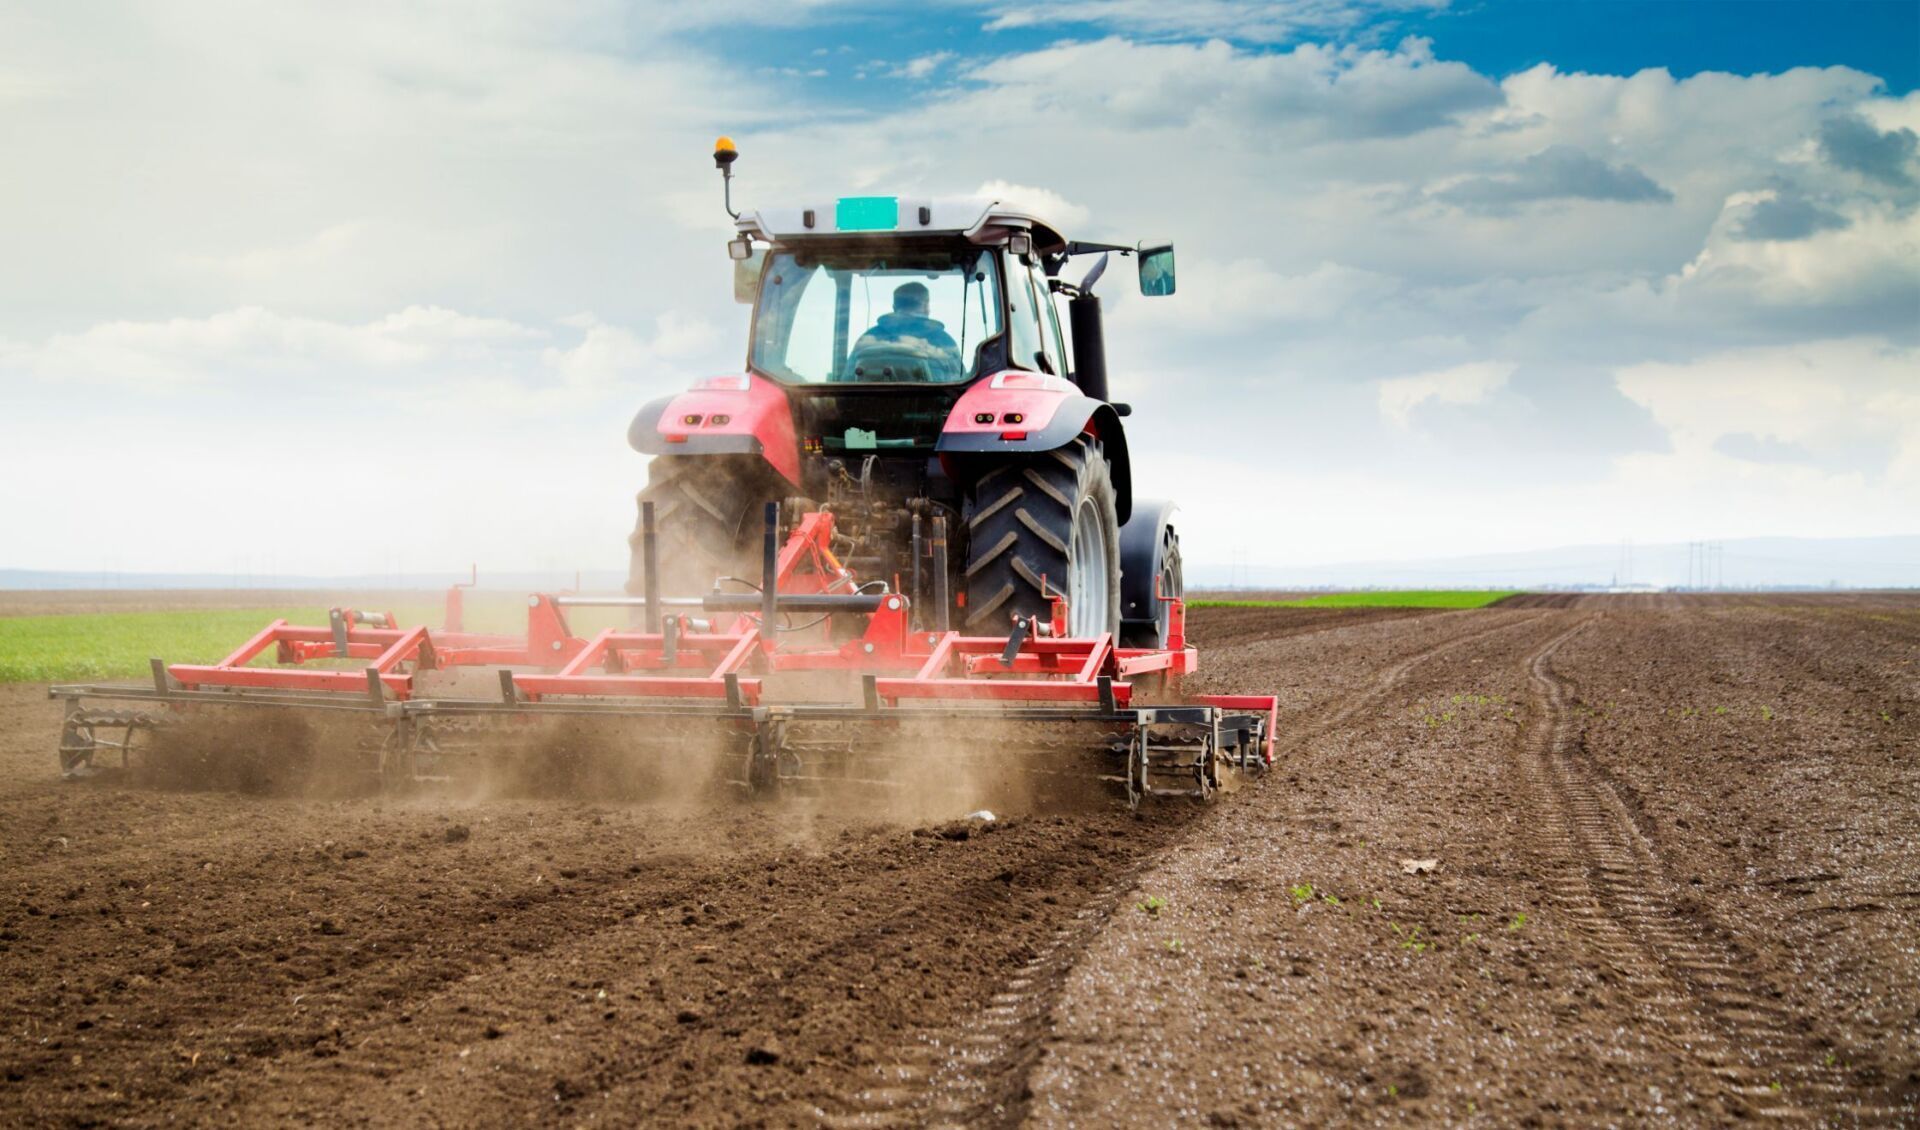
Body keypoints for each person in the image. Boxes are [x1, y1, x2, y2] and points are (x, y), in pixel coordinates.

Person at [849, 282, 960, 378]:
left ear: (894, 307)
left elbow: (846, 379)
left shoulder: (867, 339)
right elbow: (960, 381)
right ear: (925, 305)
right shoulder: (943, 341)